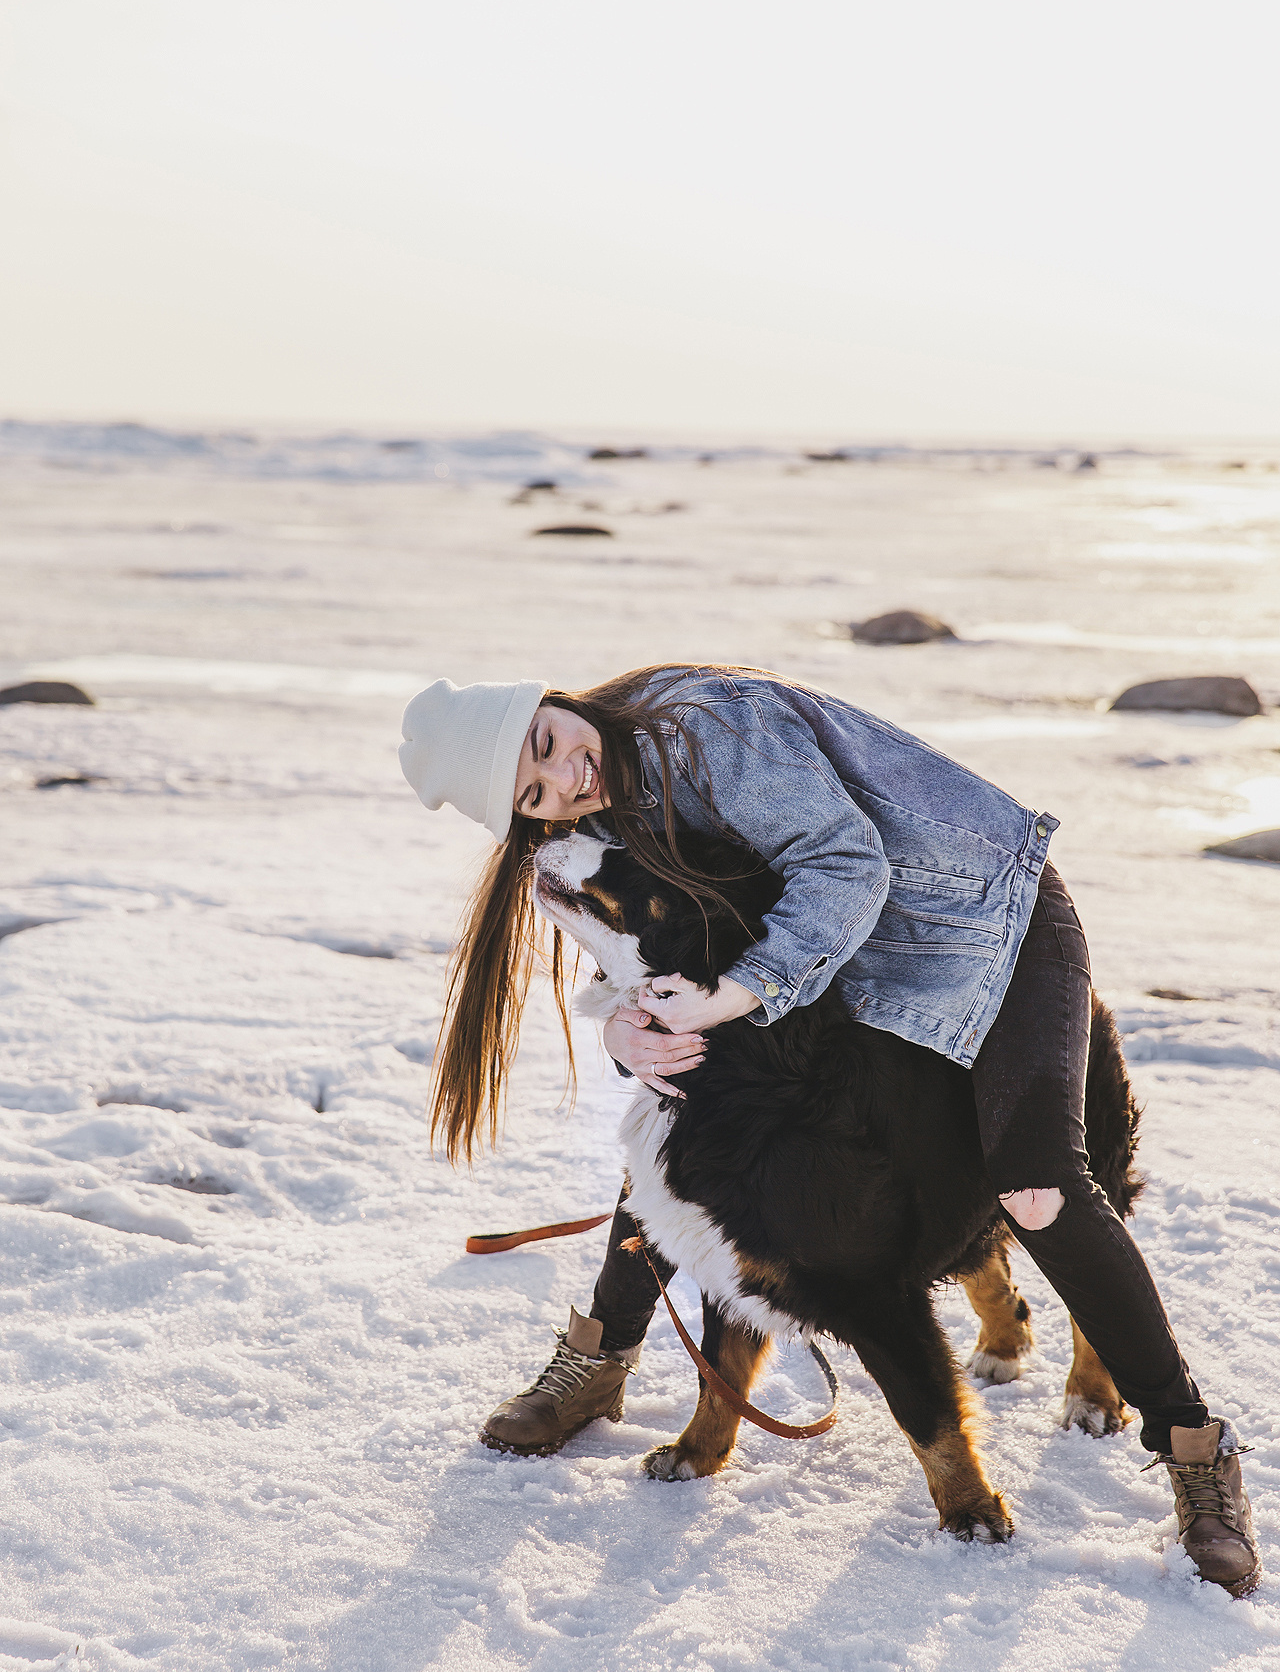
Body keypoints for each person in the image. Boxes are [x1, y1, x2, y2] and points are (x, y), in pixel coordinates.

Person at [400, 664, 1260, 1594]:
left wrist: (732, 996)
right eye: (535, 795)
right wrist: (626, 1030)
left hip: (987, 928)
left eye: (546, 744)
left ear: (555, 702)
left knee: (1037, 1187)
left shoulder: (707, 726)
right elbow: (658, 938)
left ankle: (1194, 1448)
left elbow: (846, 867)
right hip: (850, 963)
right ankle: (599, 1360)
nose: (565, 778)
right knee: (707, 1147)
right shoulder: (605, 803)